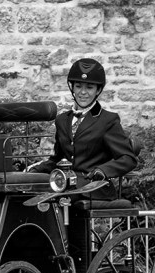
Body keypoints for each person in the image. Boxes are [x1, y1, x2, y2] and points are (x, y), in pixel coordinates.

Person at [29, 58, 138, 198]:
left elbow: (128, 158)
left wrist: (103, 170)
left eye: (89, 87)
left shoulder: (108, 120)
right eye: (79, 86)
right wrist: (34, 170)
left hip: (94, 188)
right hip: (65, 185)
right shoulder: (62, 120)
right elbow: (58, 159)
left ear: (98, 90)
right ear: (72, 87)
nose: (83, 92)